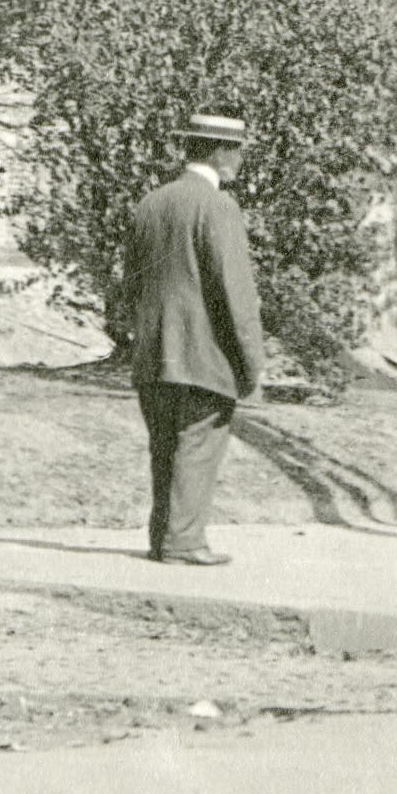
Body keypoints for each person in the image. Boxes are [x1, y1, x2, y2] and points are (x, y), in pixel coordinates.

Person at [125, 107, 272, 572]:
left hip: (152, 353)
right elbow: (237, 294)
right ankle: (184, 543)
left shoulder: (151, 202)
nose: (241, 161)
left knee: (165, 446)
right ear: (222, 152)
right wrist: (252, 362)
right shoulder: (218, 206)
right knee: (198, 445)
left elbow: (130, 284)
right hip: (203, 356)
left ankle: (165, 538)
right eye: (238, 151)